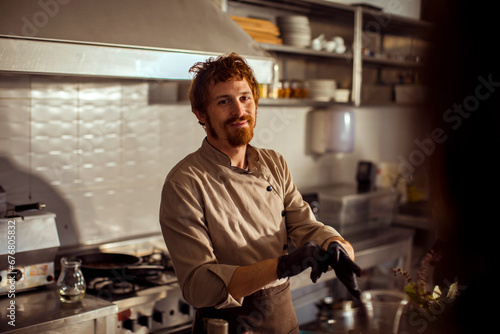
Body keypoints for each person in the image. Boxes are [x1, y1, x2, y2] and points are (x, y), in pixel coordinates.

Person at [159, 53, 361, 334]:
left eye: (245, 98)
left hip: (283, 318)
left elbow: (304, 225)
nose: (239, 111)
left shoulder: (273, 163)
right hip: (227, 325)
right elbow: (199, 286)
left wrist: (335, 245)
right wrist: (283, 265)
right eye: (223, 101)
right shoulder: (185, 182)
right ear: (201, 113)